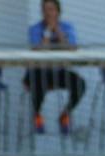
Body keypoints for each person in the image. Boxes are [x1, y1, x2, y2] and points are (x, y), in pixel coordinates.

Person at [25, 0, 86, 135]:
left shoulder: (67, 27)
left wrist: (57, 31)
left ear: (58, 12)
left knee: (80, 84)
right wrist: (47, 32)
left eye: (51, 10)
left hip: (58, 71)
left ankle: (65, 115)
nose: (48, 13)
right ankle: (37, 116)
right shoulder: (35, 29)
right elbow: (37, 51)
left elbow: (72, 49)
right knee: (37, 83)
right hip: (39, 71)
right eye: (45, 10)